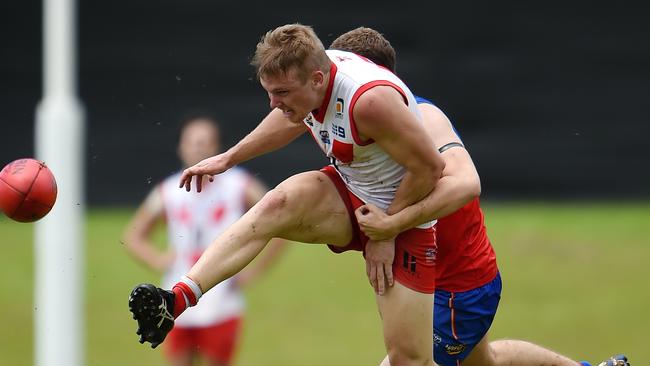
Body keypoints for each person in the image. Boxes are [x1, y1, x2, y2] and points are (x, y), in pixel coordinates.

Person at [129, 23, 446, 366]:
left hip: (403, 211)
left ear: (317, 80)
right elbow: (288, 120)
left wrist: (389, 229)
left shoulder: (367, 102)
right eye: (269, 92)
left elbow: (430, 169)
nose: (273, 102)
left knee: (409, 361)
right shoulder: (310, 81)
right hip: (351, 190)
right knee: (275, 205)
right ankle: (175, 300)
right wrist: (228, 158)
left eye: (281, 92)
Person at [330, 27, 629, 366]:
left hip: (458, 289)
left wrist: (391, 225)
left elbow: (466, 182)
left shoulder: (423, 119)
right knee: (489, 361)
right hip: (432, 283)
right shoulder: (355, 130)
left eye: (343, 76)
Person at [123, 112, 287, 366]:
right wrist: (158, 260)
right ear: (181, 147)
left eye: (205, 142)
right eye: (193, 142)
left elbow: (279, 220)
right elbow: (133, 235)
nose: (199, 148)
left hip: (222, 300)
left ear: (216, 146)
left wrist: (253, 271)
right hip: (175, 297)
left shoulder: (238, 184)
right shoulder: (168, 190)